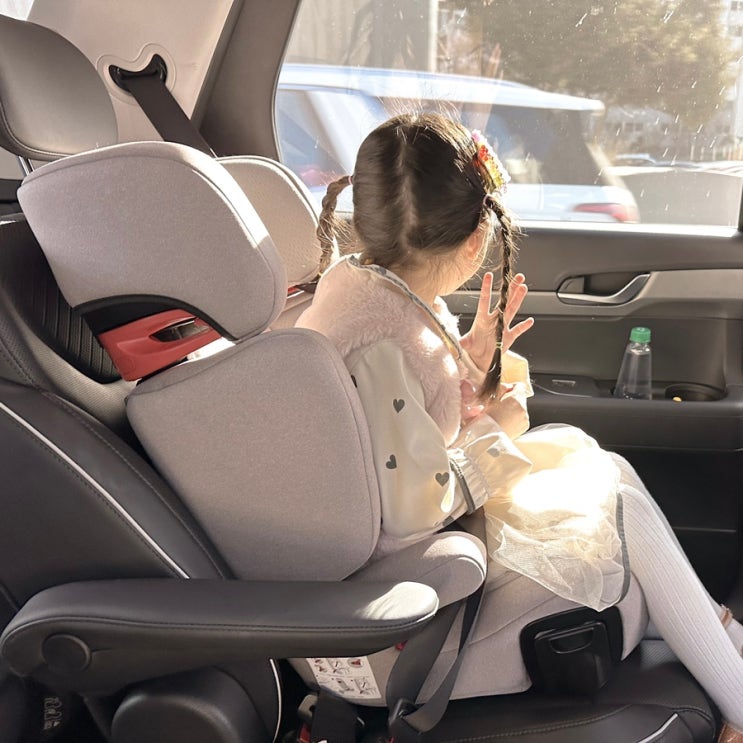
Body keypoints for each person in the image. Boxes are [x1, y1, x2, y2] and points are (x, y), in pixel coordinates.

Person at [296, 112, 743, 741]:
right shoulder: (389, 343)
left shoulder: (356, 286)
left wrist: (467, 367)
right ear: (477, 238)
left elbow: (394, 437)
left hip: (399, 562)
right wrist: (496, 431)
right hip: (402, 606)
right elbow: (413, 510)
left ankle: (726, 644)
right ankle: (737, 691)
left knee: (600, 464)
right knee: (622, 508)